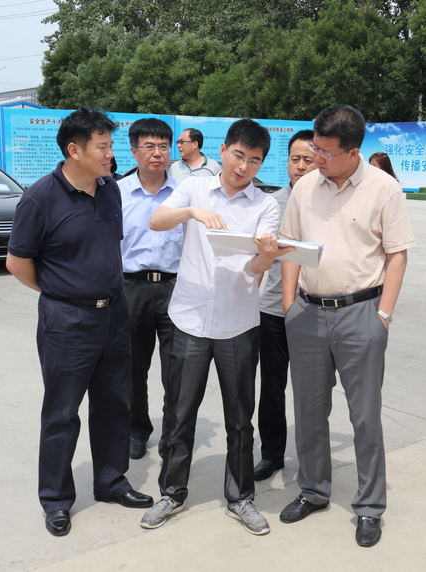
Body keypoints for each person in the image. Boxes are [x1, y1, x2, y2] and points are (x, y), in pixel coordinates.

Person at [6, 108, 154, 537]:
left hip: (115, 313)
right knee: (62, 413)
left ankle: (110, 481)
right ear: (74, 150)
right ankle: (56, 499)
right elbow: (17, 263)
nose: (110, 155)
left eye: (110, 146)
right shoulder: (40, 198)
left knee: (114, 405)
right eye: (102, 147)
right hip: (67, 321)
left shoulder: (110, 190)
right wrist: (61, 293)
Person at [140, 118, 292, 536]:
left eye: (254, 161)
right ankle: (172, 492)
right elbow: (157, 221)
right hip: (189, 318)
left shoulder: (265, 205)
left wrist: (267, 254)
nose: (244, 167)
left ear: (261, 164)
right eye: (239, 156)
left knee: (240, 418)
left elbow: (257, 268)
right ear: (224, 151)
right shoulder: (195, 188)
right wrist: (192, 212)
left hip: (238, 323)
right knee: (180, 412)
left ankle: (240, 498)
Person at [278, 104, 414, 548]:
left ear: (353, 152)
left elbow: (397, 255)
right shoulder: (305, 188)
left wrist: (383, 315)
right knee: (309, 410)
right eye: (314, 149)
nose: (315, 159)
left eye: (326, 152)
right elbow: (290, 246)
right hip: (307, 313)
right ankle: (313, 490)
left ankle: (370, 506)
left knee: (364, 415)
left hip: (362, 312)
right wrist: (289, 305)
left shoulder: (383, 189)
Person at [253, 129, 316, 482]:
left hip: (314, 310)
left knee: (312, 391)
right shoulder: (270, 203)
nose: (301, 166)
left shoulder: (327, 203)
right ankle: (271, 454)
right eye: (295, 159)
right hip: (273, 312)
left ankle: (311, 459)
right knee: (272, 388)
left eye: (308, 159)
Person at [117, 118, 181, 460]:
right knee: (132, 367)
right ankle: (136, 429)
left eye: (163, 146)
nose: (157, 153)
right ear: (134, 151)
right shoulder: (118, 193)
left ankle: (173, 434)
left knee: (177, 368)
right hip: (132, 287)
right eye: (149, 146)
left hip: (175, 287)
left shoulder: (184, 193)